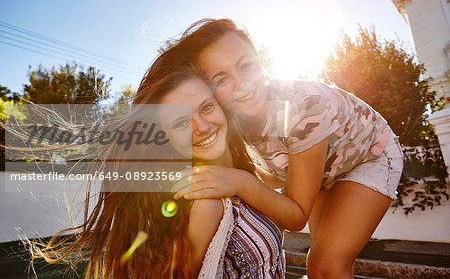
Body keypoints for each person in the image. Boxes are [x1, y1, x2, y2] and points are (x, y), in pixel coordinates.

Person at [171, 18, 404, 279]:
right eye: (222, 79)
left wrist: (240, 182)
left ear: (261, 61)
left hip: (369, 156)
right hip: (325, 171)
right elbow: (266, 173)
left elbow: (296, 218)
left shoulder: (303, 108)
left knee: (325, 266)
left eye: (246, 66)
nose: (242, 84)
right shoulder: (225, 116)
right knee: (329, 259)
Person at [28, 61, 285, 277]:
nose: (203, 127)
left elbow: (288, 188)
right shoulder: (207, 203)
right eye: (182, 122)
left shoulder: (244, 173)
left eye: (207, 107)